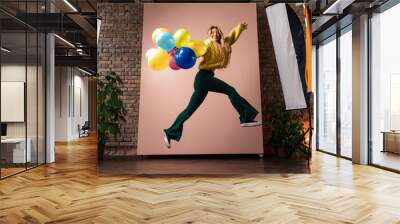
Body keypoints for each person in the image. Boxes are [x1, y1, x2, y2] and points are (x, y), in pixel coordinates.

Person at [163, 22, 261, 148]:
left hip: (206, 79)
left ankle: (169, 132)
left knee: (189, 110)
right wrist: (178, 51)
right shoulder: (207, 44)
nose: (215, 34)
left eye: (217, 32)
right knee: (230, 90)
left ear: (220, 33)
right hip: (203, 77)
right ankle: (245, 118)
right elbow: (196, 50)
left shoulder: (224, 44)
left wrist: (240, 27)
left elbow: (232, 36)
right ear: (209, 35)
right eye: (212, 33)